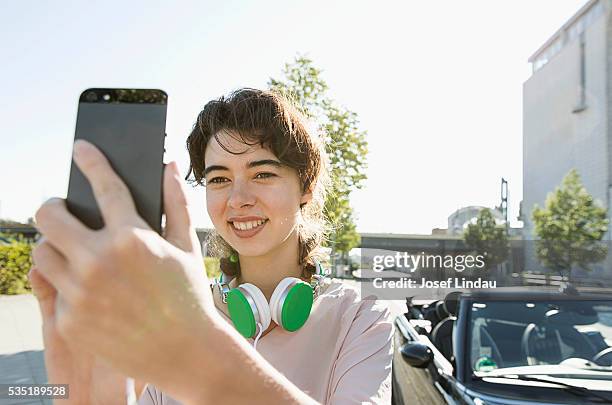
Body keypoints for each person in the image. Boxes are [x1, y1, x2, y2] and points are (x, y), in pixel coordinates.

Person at [29, 88, 393, 404]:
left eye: (262, 173)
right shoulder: (169, 315)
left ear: (306, 187)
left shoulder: (361, 317)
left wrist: (199, 350)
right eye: (219, 178)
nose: (238, 199)